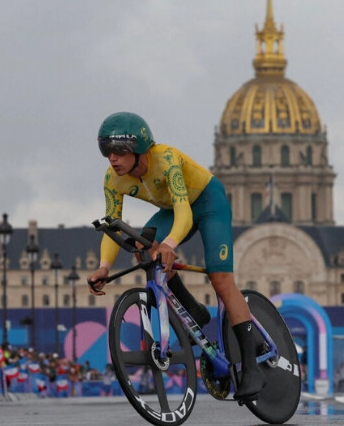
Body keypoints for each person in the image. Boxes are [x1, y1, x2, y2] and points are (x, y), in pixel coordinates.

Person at [88, 112, 265, 401]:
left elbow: (184, 209)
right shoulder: (112, 179)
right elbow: (113, 225)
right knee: (142, 247)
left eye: (119, 151)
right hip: (173, 209)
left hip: (207, 203)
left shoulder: (166, 159)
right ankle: (192, 309)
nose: (112, 158)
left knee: (220, 280)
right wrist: (104, 267)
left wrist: (169, 243)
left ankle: (251, 369)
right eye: (107, 151)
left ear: (139, 149)